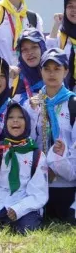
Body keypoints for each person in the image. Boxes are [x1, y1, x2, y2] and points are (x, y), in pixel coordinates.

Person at [0, 103, 47, 233]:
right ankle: (2, 220)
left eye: (20, 117)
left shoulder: (37, 155)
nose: (15, 120)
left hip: (24, 202)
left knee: (26, 230)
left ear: (27, 122)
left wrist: (19, 209)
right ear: (5, 122)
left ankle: (14, 220)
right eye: (10, 117)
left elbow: (39, 193)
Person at [25, 48, 76, 220]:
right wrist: (32, 114)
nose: (52, 73)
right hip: (38, 182)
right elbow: (29, 141)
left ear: (66, 71)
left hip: (66, 181)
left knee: (65, 217)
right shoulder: (33, 104)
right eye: (47, 69)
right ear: (41, 72)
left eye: (57, 68)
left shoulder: (72, 103)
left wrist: (61, 159)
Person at [48, 0, 76, 91]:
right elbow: (49, 53)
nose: (74, 10)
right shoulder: (62, 36)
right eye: (70, 6)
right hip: (63, 93)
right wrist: (56, 25)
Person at [12, 29, 47, 105]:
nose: (30, 53)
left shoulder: (55, 70)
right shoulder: (16, 78)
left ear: (42, 47)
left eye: (34, 47)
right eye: (24, 49)